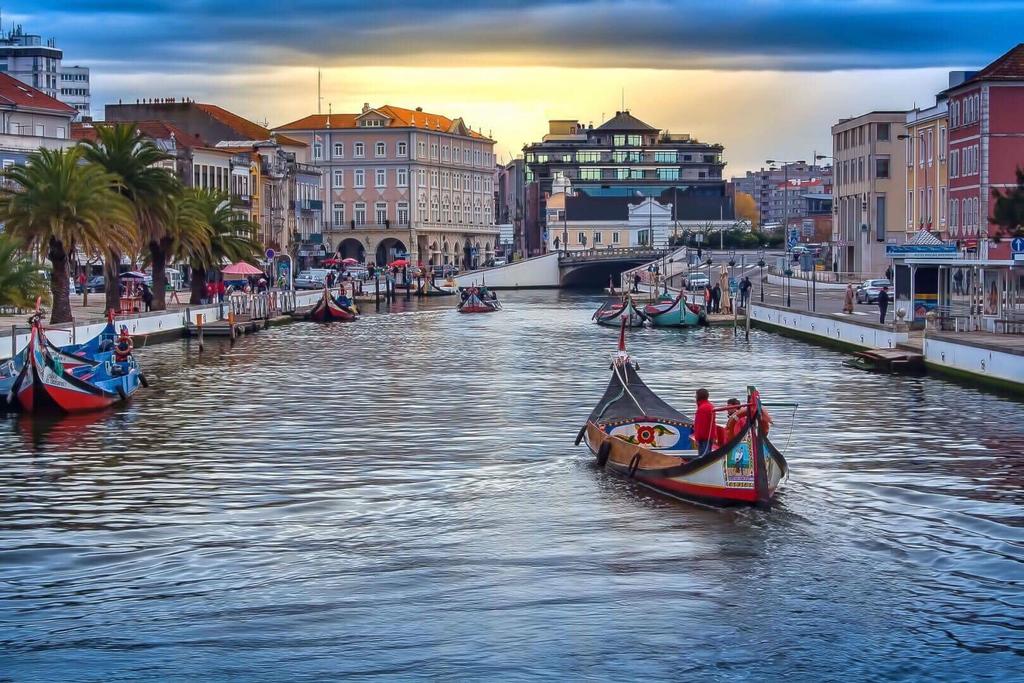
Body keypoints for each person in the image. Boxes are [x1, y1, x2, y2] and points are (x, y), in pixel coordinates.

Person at [693, 388, 717, 456]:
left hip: (704, 438)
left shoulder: (702, 409)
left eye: (696, 395)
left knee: (703, 456)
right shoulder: (710, 406)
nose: (695, 397)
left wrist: (697, 438)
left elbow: (700, 426)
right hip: (708, 437)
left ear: (699, 396)